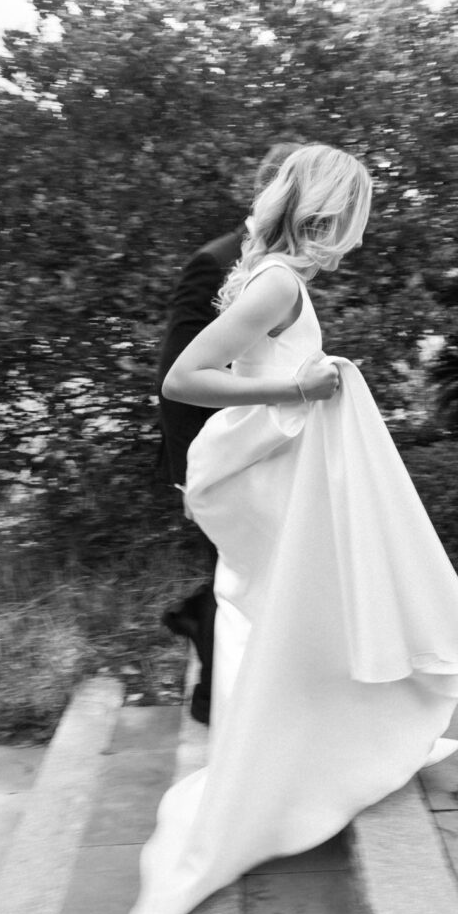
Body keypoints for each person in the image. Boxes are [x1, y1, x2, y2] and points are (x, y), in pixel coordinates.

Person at [124, 144, 458, 914]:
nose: (361, 231)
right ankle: (294, 769)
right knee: (302, 617)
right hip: (275, 479)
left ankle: (304, 754)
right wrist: (297, 386)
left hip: (285, 472)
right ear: (336, 209)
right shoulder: (280, 280)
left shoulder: (273, 272)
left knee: (300, 618)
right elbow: (183, 378)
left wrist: (312, 374)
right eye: (359, 212)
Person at [157, 142, 302, 723]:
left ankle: (204, 636)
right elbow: (177, 374)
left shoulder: (284, 267)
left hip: (264, 457)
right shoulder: (216, 262)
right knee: (240, 578)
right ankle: (215, 703)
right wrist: (188, 477)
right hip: (220, 461)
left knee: (247, 577)